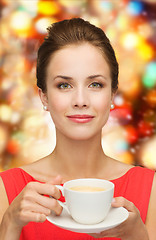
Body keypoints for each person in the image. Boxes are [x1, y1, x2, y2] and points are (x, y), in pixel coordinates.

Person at [0, 18, 155, 240]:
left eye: (95, 84)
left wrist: (138, 236)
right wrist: (9, 225)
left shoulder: (150, 189)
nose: (80, 100)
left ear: (112, 95)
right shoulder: (7, 189)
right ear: (44, 97)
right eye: (64, 85)